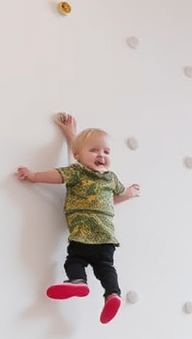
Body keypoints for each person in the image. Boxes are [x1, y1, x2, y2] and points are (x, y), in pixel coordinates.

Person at [16, 113, 140, 324]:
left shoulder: (110, 177)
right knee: (105, 267)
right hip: (102, 237)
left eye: (106, 151)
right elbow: (58, 174)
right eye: (95, 151)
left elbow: (111, 197)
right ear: (79, 156)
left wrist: (128, 193)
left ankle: (84, 283)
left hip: (86, 234)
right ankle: (111, 293)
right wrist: (35, 176)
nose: (101, 155)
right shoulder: (78, 171)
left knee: (76, 261)